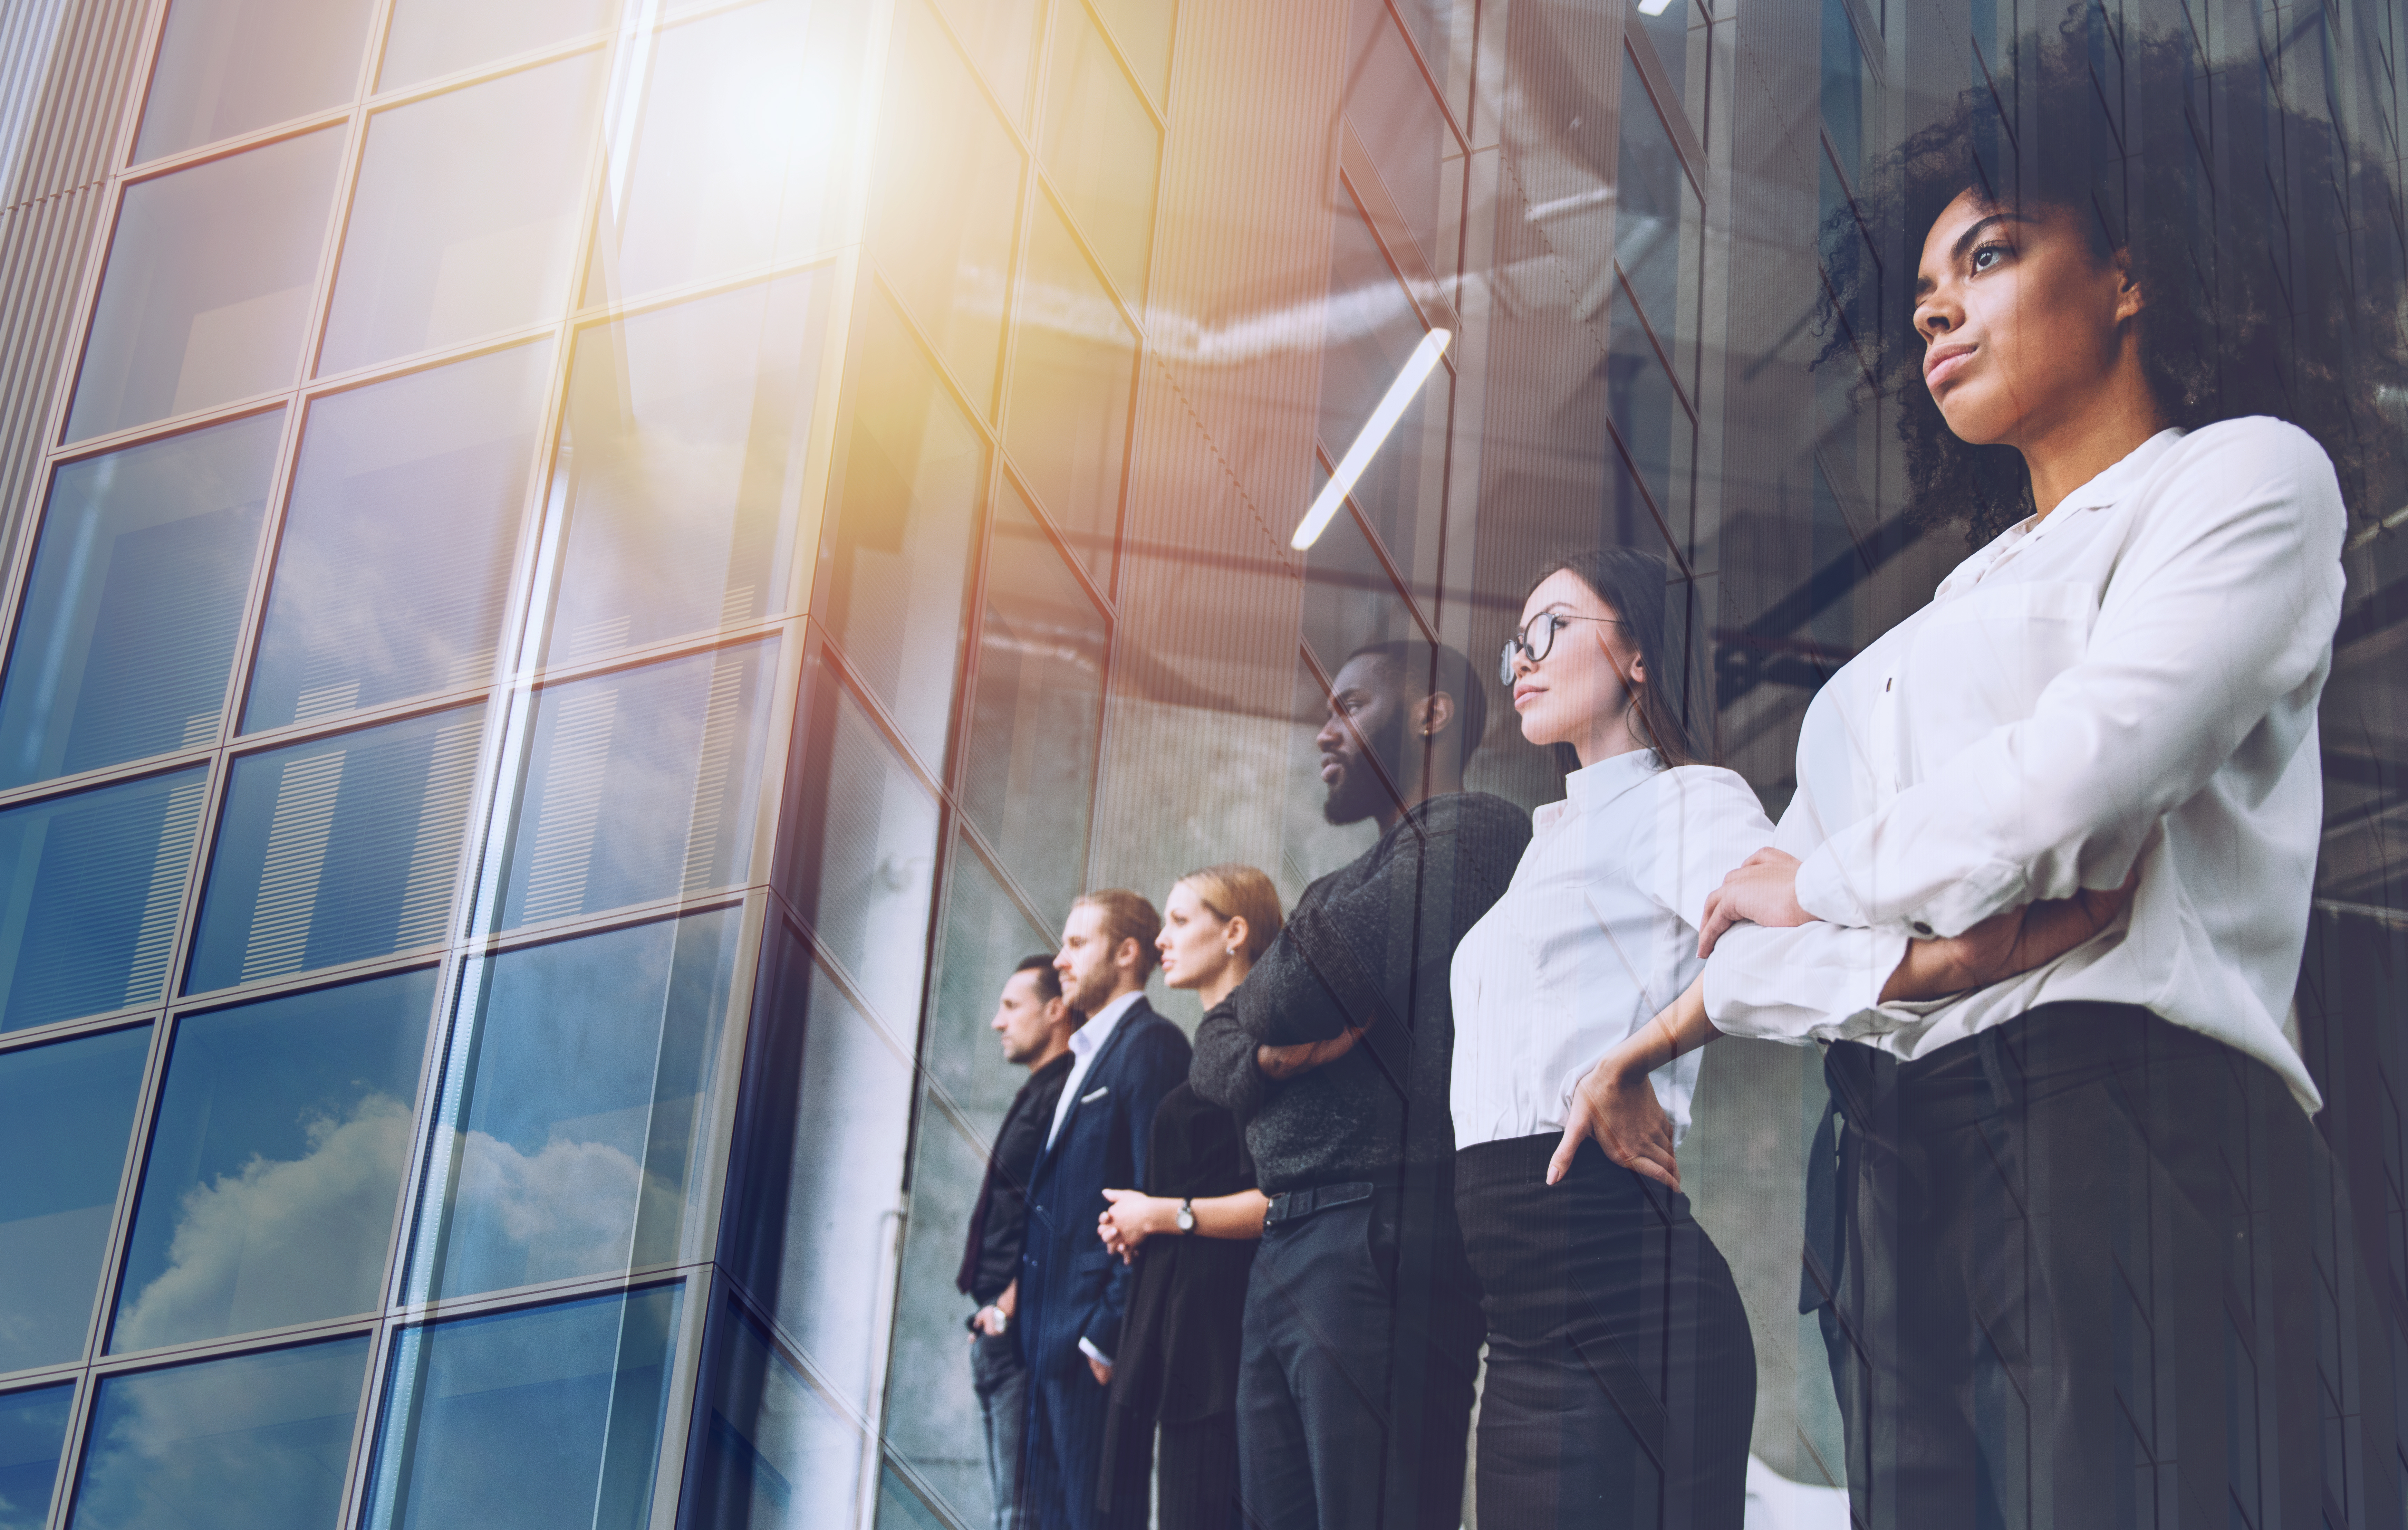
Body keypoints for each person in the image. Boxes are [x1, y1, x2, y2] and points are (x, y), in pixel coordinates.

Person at [1556, 24, 2408, 1529]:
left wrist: (1826, 890)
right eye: (1926, 288)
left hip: (2126, 1120)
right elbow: (1742, 955)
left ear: (2130, 275)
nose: (1937, 306)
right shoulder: (1925, 633)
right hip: (1882, 1149)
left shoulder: (2242, 482)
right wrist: (1930, 951)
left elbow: (2074, 780)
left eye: (1993, 253)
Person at [1449, 549, 1772, 1527]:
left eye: (1550, 626)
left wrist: (1637, 1054)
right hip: (1519, 1325)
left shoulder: (1683, 801)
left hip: (1616, 1292)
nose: (1521, 658)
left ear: (1634, 652)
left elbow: (1784, 942)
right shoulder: (1547, 844)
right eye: (1515, 643)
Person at [1191, 639, 1529, 1530]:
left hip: (1380, 1233)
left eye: (1349, 706)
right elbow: (1218, 1041)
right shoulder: (1344, 883)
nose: (1322, 732)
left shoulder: (1477, 833)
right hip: (1292, 1240)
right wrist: (1271, 1057)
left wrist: (1270, 1009)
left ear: (1430, 714)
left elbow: (1297, 987)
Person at [1094, 865, 1281, 1530]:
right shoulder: (1215, 1048)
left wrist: (1163, 1214)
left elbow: (1276, 1199)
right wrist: (1143, 1221)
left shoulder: (1258, 1053)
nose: (1160, 940)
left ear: (1234, 932)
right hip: (1186, 1331)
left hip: (1220, 1338)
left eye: (1179, 921)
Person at [1019, 890, 1192, 1530]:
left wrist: (1107, 1334)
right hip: (1048, 1345)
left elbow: (1156, 1192)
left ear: (1125, 952)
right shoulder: (1086, 1054)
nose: (1060, 959)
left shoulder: (1152, 1047)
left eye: (1076, 943)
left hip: (1091, 1350)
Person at [959, 957, 1080, 1530]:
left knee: (1027, 1517)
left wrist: (1009, 1305)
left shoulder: (1066, 1091)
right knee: (1016, 1514)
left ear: (1055, 1010)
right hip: (1005, 1330)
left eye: (1011, 1006)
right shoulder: (1041, 1090)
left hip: (1024, 1332)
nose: (995, 1022)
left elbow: (1063, 1208)